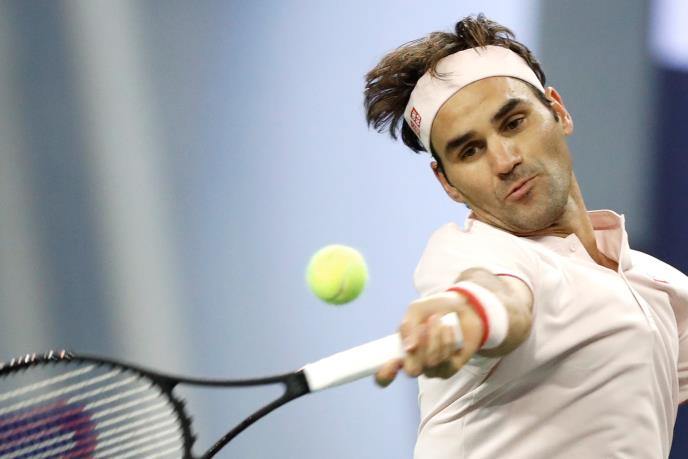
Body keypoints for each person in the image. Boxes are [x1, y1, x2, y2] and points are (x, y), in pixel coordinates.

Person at [364, 14, 688, 459]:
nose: (504, 160)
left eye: (514, 122)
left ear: (558, 111)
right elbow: (498, 298)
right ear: (447, 182)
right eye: (470, 150)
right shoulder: (469, 251)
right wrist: (470, 316)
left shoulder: (658, 286)